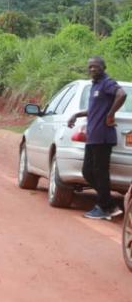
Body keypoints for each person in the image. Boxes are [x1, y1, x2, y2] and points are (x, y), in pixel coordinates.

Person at [68, 56, 127, 220]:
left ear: (103, 67)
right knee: (87, 171)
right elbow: (94, 109)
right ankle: (108, 205)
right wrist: (77, 114)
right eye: (90, 67)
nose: (92, 69)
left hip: (103, 136)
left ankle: (104, 206)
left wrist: (110, 114)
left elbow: (121, 95)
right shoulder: (95, 85)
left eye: (96, 66)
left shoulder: (107, 82)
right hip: (93, 136)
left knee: (100, 172)